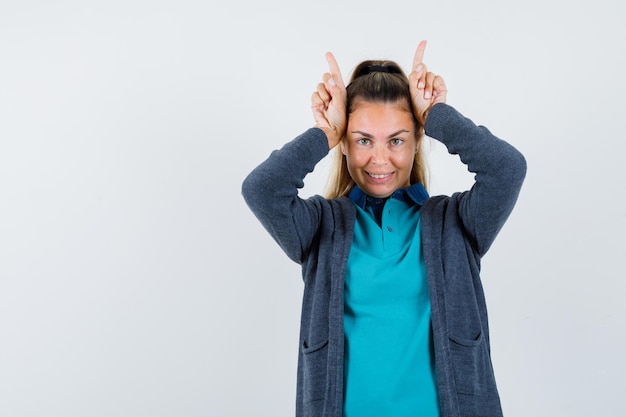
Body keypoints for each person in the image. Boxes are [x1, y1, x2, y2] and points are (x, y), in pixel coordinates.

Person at [241, 41, 526, 417]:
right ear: (344, 143)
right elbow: (262, 189)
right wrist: (325, 133)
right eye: (362, 140)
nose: (380, 159)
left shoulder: (454, 222)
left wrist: (437, 115)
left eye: (396, 140)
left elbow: (507, 169)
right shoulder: (320, 227)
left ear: (416, 140)